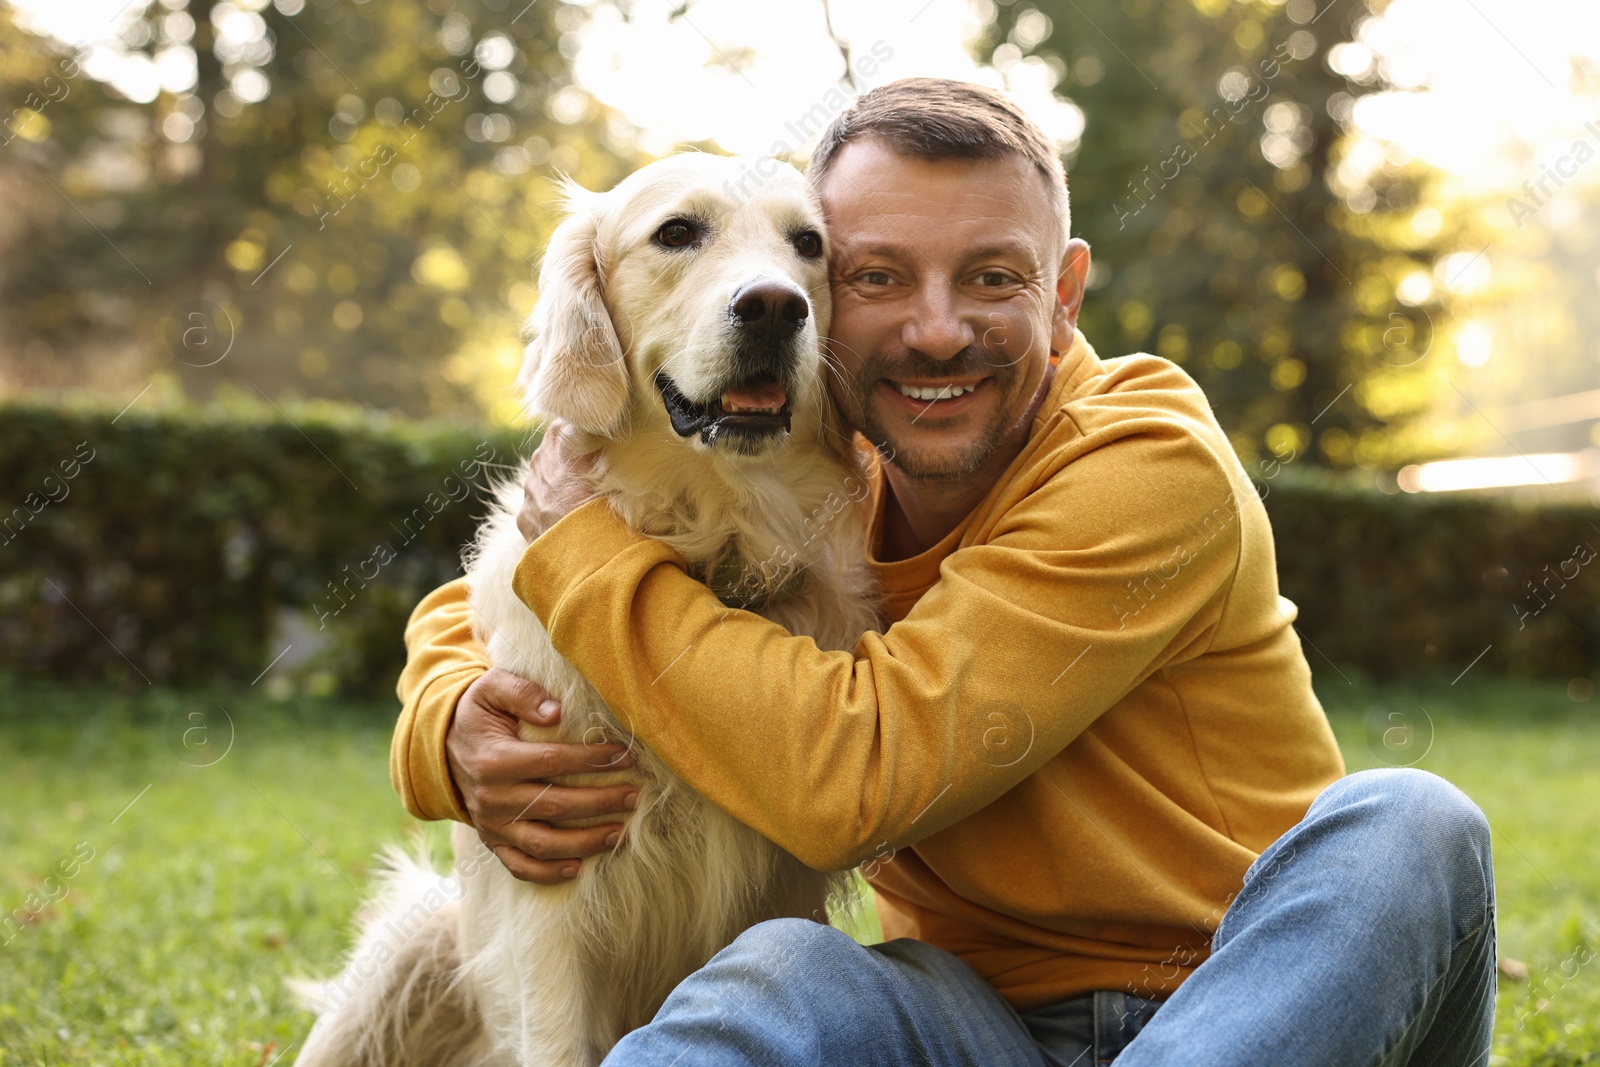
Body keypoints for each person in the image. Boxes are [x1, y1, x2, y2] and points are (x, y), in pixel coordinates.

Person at [391, 78, 1495, 1065]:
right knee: (784, 964)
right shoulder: (829, 471)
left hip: (1261, 1003)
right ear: (834, 304)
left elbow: (858, 776)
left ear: (1063, 293)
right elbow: (488, 592)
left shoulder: (1145, 462)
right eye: (879, 275)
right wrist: (447, 724)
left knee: (1410, 825)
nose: (934, 330)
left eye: (990, 276)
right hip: (977, 1029)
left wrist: (578, 554)